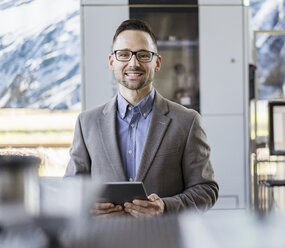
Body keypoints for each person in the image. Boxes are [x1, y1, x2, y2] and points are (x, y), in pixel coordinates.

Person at [65, 19, 218, 217]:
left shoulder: (187, 122)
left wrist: (165, 207)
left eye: (144, 55)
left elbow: (206, 190)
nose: (134, 63)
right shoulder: (87, 123)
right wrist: (85, 205)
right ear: (112, 62)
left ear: (157, 63)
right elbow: (71, 188)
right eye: (124, 54)